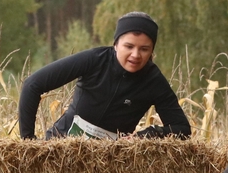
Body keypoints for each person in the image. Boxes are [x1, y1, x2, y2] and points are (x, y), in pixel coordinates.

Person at [17, 11, 192, 140]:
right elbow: (32, 85)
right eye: (129, 46)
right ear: (116, 44)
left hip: (107, 164)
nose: (136, 55)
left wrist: (146, 135)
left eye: (144, 49)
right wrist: (28, 142)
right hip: (61, 146)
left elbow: (182, 129)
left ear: (152, 51)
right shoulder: (94, 59)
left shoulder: (154, 81)